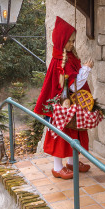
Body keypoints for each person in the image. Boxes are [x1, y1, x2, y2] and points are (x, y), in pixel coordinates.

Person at [34, 16, 94, 179]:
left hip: (73, 105)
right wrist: (86, 70)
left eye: (73, 41)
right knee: (61, 135)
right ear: (61, 41)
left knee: (74, 132)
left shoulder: (70, 57)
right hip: (62, 107)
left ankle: (72, 163)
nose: (72, 44)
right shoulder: (60, 61)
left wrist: (82, 68)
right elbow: (72, 85)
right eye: (69, 41)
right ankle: (57, 167)